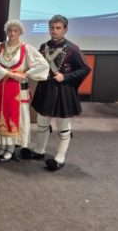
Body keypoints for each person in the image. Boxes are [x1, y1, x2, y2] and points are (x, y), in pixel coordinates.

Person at [22, 14, 91, 171]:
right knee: (42, 121)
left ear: (65, 29)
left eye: (58, 28)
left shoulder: (72, 48)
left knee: (63, 125)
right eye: (52, 28)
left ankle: (60, 157)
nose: (54, 31)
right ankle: (39, 150)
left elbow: (85, 69)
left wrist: (65, 77)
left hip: (63, 91)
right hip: (45, 88)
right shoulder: (43, 46)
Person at [0, 20, 49, 162]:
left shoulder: (26, 48)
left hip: (17, 90)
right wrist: (12, 74)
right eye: (10, 30)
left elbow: (43, 64)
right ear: (6, 31)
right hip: (1, 87)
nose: (12, 33)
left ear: (20, 32)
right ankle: (2, 146)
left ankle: (10, 148)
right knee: (0, 115)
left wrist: (26, 74)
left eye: (15, 30)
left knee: (15, 116)